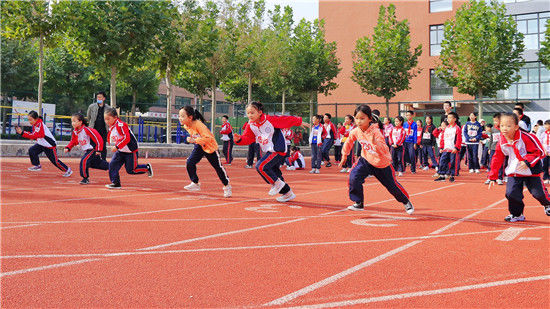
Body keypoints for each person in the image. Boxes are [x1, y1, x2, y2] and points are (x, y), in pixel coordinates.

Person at [339, 105, 413, 214]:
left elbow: (384, 149)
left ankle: (406, 201)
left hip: (381, 163)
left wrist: (375, 143)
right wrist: (344, 156)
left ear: (369, 119)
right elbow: (349, 141)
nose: (359, 121)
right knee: (353, 176)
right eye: (357, 118)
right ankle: (359, 203)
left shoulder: (376, 132)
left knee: (392, 186)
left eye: (362, 118)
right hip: (366, 160)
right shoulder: (356, 131)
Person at [234, 101, 303, 202]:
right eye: (248, 113)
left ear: (260, 112)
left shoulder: (269, 120)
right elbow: (248, 138)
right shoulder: (250, 124)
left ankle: (277, 184)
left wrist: (299, 121)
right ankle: (287, 193)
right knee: (274, 173)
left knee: (261, 166)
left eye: (252, 113)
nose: (250, 115)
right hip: (268, 150)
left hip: (278, 149)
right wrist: (239, 139)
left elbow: (285, 119)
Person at [487, 113, 550, 222]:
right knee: (511, 193)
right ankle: (517, 214)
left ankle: (547, 204)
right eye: (502, 126)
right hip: (514, 171)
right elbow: (497, 157)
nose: (504, 129)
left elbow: (539, 152)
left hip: (531, 171)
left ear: (516, 127)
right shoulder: (502, 140)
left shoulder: (526, 137)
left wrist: (527, 161)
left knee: (538, 193)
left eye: (508, 126)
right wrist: (492, 176)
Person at [179, 106, 231, 197]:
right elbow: (196, 136)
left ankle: (227, 186)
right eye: (179, 116)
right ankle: (195, 183)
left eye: (182, 116)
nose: (180, 118)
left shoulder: (199, 125)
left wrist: (194, 140)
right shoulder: (186, 125)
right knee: (190, 162)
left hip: (210, 147)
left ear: (190, 117)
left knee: (218, 167)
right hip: (199, 145)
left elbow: (208, 138)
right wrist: (193, 139)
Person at [104, 107, 152, 189]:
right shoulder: (111, 127)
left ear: (115, 117)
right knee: (112, 165)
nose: (106, 121)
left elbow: (127, 138)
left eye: (108, 119)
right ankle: (116, 183)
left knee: (131, 170)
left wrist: (117, 146)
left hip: (130, 150)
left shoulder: (121, 125)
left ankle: (146, 168)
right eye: (105, 119)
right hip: (121, 151)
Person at [16, 111, 72, 177]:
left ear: (36, 119)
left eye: (31, 120)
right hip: (42, 144)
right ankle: (37, 165)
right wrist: (33, 137)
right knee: (32, 150)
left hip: (49, 145)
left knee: (55, 161)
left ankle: (68, 170)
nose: (29, 121)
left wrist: (22, 133)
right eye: (28, 120)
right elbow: (35, 135)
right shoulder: (35, 124)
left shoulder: (40, 125)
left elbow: (36, 135)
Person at [64, 113, 109, 184]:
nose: (73, 123)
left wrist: (99, 150)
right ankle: (112, 166)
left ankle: (85, 178)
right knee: (96, 164)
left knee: (84, 161)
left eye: (74, 121)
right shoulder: (75, 132)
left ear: (80, 122)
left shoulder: (87, 130)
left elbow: (98, 138)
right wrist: (68, 147)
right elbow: (73, 141)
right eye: (72, 121)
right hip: (87, 150)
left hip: (92, 149)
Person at [434, 112, 462, 182]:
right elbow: (443, 138)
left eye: (450, 118)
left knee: (453, 163)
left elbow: (459, 139)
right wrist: (441, 147)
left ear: (454, 119)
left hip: (453, 149)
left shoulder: (457, 128)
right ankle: (442, 175)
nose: (448, 119)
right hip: (445, 149)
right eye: (448, 118)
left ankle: (452, 176)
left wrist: (456, 148)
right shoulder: (446, 128)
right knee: (442, 162)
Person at [87, 92, 109, 160]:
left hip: (103, 130)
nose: (98, 99)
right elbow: (88, 117)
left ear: (104, 98)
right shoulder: (91, 106)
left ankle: (103, 160)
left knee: (103, 146)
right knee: (93, 145)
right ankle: (92, 159)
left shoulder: (108, 108)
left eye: (100, 97)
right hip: (93, 129)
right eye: (97, 97)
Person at [484, 113, 505, 185]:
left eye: (497, 121)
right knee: (491, 163)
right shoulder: (492, 129)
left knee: (500, 164)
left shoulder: (503, 129)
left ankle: (499, 178)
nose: (495, 122)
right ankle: (490, 177)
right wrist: (489, 148)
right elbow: (491, 139)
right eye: (494, 121)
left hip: (500, 149)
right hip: (493, 148)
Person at [539, 120, 550, 184]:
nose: (545, 126)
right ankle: (546, 177)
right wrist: (544, 150)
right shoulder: (543, 134)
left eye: (547, 125)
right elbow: (541, 143)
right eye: (545, 125)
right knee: (545, 165)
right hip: (545, 152)